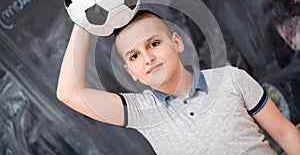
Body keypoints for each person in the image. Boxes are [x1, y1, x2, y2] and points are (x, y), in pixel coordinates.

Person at [56, 10, 300, 154]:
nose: (148, 58)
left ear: (177, 43)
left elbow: (285, 132)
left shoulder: (231, 79)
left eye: (153, 44)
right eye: (135, 55)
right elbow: (69, 93)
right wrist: (85, 21)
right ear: (131, 72)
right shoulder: (142, 111)